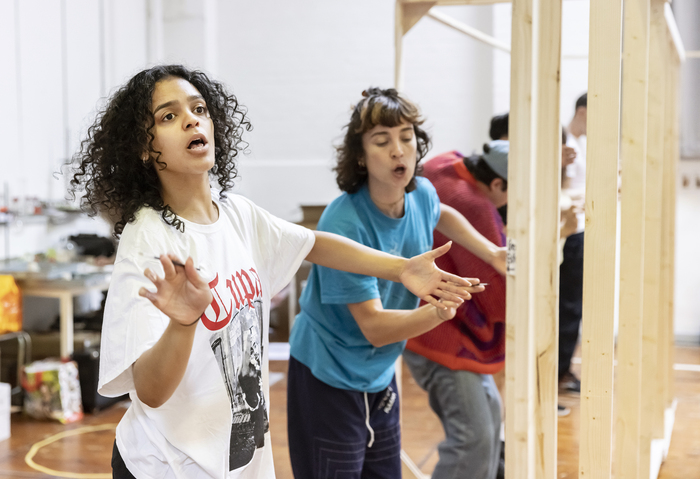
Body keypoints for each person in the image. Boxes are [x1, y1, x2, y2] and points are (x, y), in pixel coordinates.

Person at [69, 65, 475, 479]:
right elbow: (151, 392)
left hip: (239, 461)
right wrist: (182, 324)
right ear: (143, 147)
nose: (192, 119)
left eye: (199, 108)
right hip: (167, 466)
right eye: (168, 116)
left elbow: (313, 243)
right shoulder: (148, 241)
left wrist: (401, 269)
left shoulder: (237, 214)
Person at [286, 88, 506, 479]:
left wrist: (490, 252)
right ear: (360, 156)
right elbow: (374, 327)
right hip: (328, 373)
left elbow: (442, 212)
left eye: (406, 137)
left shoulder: (420, 192)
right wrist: (439, 312)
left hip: (379, 373)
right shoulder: (345, 222)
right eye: (381, 141)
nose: (398, 150)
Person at [403, 141, 509, 479]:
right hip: (444, 330)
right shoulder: (476, 207)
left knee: (489, 421)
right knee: (474, 438)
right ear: (496, 183)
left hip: (429, 316)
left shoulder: (442, 165)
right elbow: (500, 298)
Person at [559, 93, 587, 394]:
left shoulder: (581, 143)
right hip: (569, 233)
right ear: (582, 111)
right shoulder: (567, 141)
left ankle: (563, 368)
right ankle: (559, 372)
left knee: (573, 305)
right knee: (568, 306)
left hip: (577, 230)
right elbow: (563, 192)